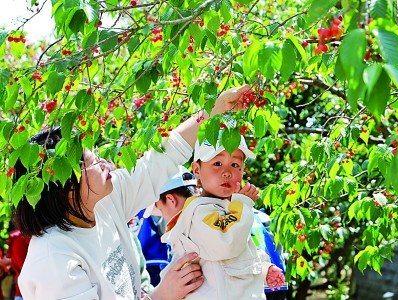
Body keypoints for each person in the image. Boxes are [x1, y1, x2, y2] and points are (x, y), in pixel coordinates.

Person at [11, 84, 253, 300]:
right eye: (94, 163)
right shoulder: (54, 260)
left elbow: (164, 155)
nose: (106, 163)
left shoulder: (104, 204)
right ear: (67, 187)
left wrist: (217, 108)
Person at [159, 136, 285, 299]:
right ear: (196, 170)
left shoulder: (228, 209)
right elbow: (227, 243)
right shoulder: (199, 212)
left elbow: (242, 251)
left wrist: (264, 268)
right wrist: (244, 204)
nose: (227, 172)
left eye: (235, 165)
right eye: (217, 163)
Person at [5, 224, 30, 300]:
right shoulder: (19, 240)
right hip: (25, 293)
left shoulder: (19, 239)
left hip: (24, 292)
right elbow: (24, 269)